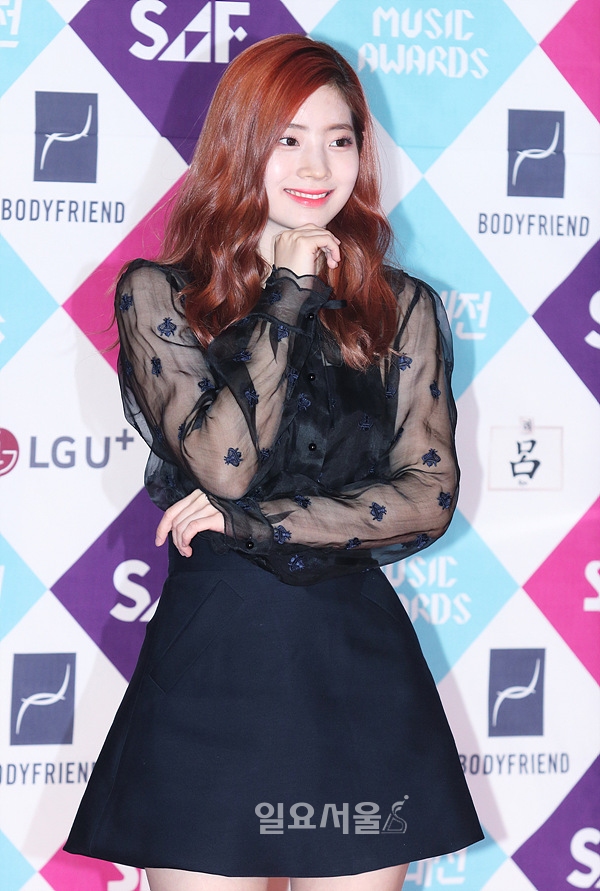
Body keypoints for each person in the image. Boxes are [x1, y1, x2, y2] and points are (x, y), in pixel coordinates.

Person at [64, 33, 483, 891]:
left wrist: (253, 524)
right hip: (213, 669)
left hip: (355, 673)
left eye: (339, 138)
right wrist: (285, 297)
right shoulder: (163, 294)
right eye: (288, 138)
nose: (317, 165)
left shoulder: (398, 306)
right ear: (241, 143)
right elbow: (223, 463)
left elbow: (428, 494)